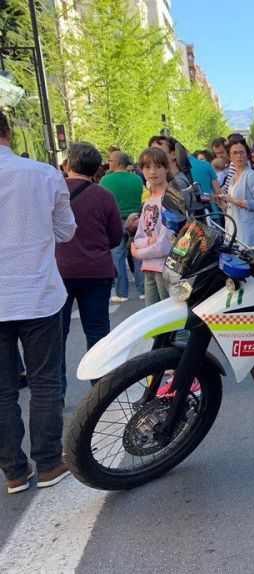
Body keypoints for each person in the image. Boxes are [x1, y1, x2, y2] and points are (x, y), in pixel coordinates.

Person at [0, 108, 77, 494]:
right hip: (39, 293)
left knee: (2, 391)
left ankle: (14, 472)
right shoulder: (43, 175)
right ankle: (48, 463)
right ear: (9, 134)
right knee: (45, 381)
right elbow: (66, 231)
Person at [56, 143, 122, 388]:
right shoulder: (104, 196)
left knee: (56, 336)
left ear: (67, 165)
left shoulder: (54, 192)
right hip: (97, 271)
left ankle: (57, 393)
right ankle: (100, 392)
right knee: (98, 333)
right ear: (96, 169)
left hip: (60, 271)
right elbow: (115, 236)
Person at [132, 147, 178, 306]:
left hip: (166, 267)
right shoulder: (148, 201)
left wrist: (138, 253)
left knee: (169, 315)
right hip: (148, 267)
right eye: (147, 167)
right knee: (152, 315)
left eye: (158, 166)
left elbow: (165, 244)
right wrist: (148, 242)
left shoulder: (171, 198)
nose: (152, 171)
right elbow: (138, 237)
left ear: (166, 168)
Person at [101, 151, 145, 303]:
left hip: (116, 221)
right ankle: (143, 290)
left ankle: (122, 293)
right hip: (136, 220)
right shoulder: (137, 179)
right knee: (138, 256)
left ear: (117, 163)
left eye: (110, 160)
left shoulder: (105, 180)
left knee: (118, 257)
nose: (108, 163)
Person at [215, 139, 254, 247]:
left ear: (247, 154)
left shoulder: (251, 176)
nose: (239, 156)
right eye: (234, 153)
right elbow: (233, 207)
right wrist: (223, 205)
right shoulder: (233, 178)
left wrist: (233, 200)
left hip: (249, 233)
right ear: (229, 156)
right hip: (235, 231)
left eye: (241, 152)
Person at [149, 136, 193, 213]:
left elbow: (175, 217)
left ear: (174, 155)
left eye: (159, 152)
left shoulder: (178, 183)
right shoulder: (169, 182)